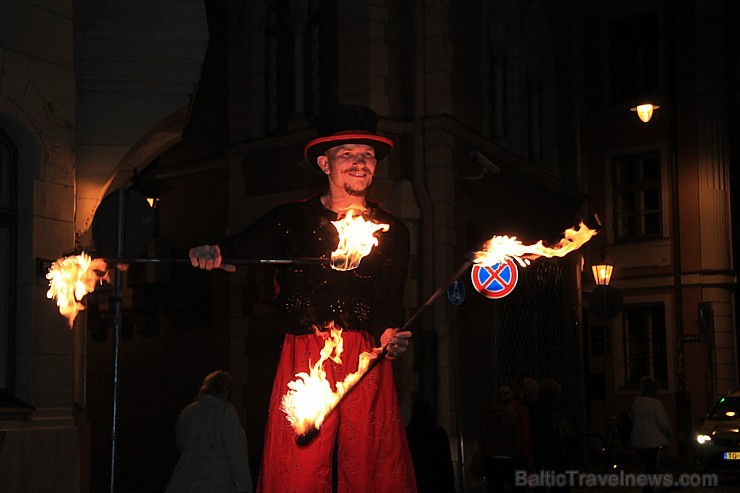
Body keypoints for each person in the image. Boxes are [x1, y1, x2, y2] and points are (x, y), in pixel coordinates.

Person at [189, 104, 416, 492]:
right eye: (348, 154)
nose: (359, 163)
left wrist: (390, 334)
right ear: (325, 164)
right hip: (304, 352)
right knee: (296, 463)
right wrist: (214, 253)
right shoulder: (291, 219)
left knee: (370, 464)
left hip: (364, 352)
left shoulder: (391, 230)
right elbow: (240, 248)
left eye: (368, 155)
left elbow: (388, 297)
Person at [166, 370, 253, 493]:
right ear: (227, 391)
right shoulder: (225, 412)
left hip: (184, 481)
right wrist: (244, 486)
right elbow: (235, 451)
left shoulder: (188, 411)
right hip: (216, 483)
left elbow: (181, 443)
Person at [628, 376, 671, 493]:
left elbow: (630, 418)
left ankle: (647, 487)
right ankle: (648, 488)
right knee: (651, 467)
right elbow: (663, 423)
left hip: (638, 439)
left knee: (646, 465)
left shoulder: (636, 402)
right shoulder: (656, 404)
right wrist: (668, 434)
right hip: (653, 441)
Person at [478, 385, 522, 493]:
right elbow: (516, 439)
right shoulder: (512, 417)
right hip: (510, 458)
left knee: (495, 487)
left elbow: (483, 438)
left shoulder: (488, 417)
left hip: (492, 458)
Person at [405, 400, 456, 492]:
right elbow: (447, 464)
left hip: (418, 482)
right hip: (437, 482)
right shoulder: (439, 434)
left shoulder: (408, 435)